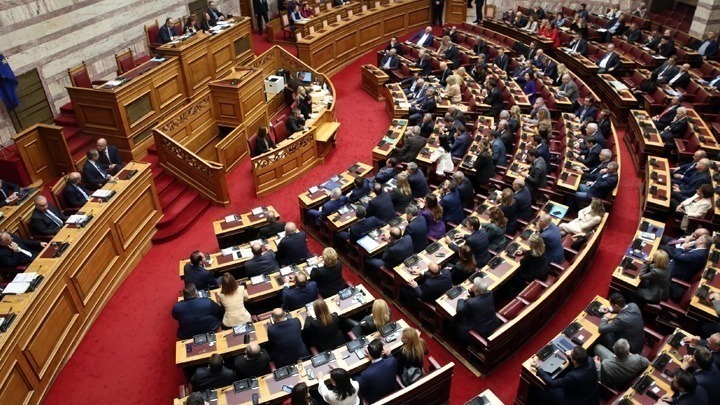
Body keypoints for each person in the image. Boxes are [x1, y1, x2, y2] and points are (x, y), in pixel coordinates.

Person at [531, 346, 599, 404]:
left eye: (571, 354)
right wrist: (570, 356)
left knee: (542, 390)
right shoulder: (590, 360)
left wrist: (538, 368)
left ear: (575, 361)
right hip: (591, 392)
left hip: (578, 399)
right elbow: (577, 364)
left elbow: (553, 384)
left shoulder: (573, 376)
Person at [456, 277, 500, 343]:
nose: (472, 285)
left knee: (457, 322)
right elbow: (479, 299)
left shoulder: (471, 302)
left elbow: (459, 311)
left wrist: (461, 299)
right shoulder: (490, 293)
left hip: (482, 331)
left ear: (476, 288)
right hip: (494, 323)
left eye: (473, 284)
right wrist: (472, 292)